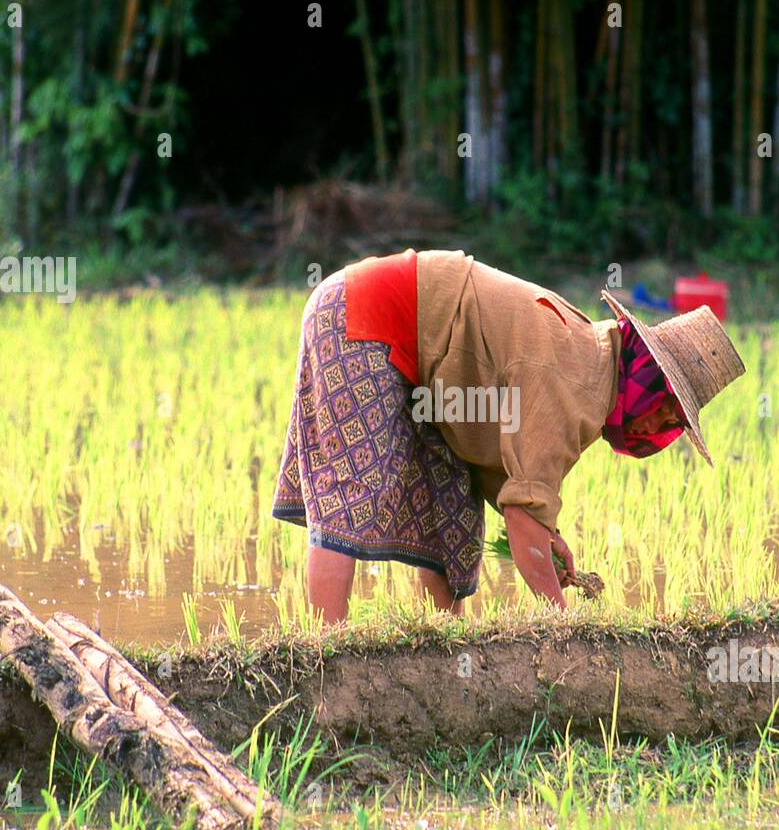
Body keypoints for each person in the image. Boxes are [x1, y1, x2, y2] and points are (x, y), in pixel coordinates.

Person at [272, 249, 745, 624]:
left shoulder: (592, 364)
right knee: (356, 491)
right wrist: (565, 626)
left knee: (452, 511)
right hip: (364, 316)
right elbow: (523, 513)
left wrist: (548, 534)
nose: (652, 428)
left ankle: (438, 656)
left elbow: (516, 475)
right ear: (645, 378)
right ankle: (324, 660)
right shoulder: (576, 381)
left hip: (433, 372)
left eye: (670, 423)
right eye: (663, 409)